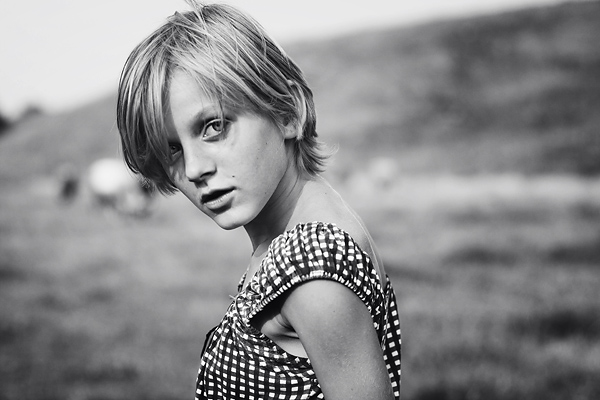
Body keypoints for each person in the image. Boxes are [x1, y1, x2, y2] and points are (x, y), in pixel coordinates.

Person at [116, 2, 401, 399]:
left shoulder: (311, 262)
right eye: (173, 150)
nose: (195, 169)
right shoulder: (308, 228)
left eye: (214, 126)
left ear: (288, 112)